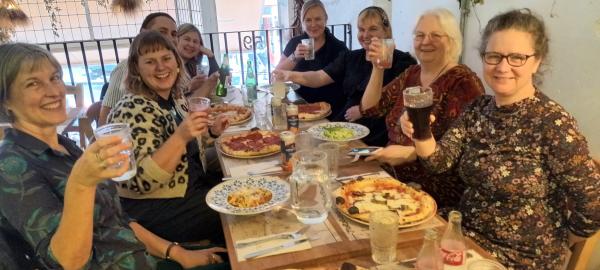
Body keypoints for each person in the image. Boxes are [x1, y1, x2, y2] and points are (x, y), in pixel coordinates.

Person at [400, 9, 600, 269]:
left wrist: (559, 242)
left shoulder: (553, 123)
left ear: (537, 61)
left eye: (517, 57)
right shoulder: (478, 109)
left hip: (520, 257)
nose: (503, 67)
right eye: (493, 56)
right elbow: (439, 162)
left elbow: (592, 204)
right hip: (463, 240)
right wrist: (421, 131)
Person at [0, 43, 226, 269]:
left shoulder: (65, 146)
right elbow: (67, 261)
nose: (53, 91)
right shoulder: (10, 165)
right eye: (33, 83)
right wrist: (82, 182)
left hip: (144, 256)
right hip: (129, 254)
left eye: (55, 77)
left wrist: (178, 253)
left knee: (235, 244)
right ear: (5, 100)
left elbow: (119, 220)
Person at [108, 31, 228, 244]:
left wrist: (211, 132)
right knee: (237, 216)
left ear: (177, 62)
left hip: (192, 187)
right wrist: (180, 137)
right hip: (160, 206)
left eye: (166, 58)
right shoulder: (132, 108)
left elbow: (188, 145)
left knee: (242, 188)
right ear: (136, 68)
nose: (161, 67)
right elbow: (141, 182)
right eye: (150, 62)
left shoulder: (174, 99)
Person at [360, 8, 484, 208]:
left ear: (452, 41)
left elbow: (464, 150)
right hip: (391, 178)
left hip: (432, 193)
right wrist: (377, 67)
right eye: (420, 35)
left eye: (435, 35)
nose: (425, 41)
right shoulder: (412, 74)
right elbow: (370, 109)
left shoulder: (463, 82)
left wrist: (410, 153)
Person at [274, 6, 416, 146]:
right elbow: (319, 77)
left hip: (376, 137)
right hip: (344, 128)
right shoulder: (350, 57)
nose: (365, 35)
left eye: (373, 29)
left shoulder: (403, 63)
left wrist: (361, 110)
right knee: (301, 144)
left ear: (386, 31)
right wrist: (288, 74)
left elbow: (398, 106)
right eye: (361, 29)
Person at [98, 12, 217, 126]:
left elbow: (182, 110)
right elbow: (105, 121)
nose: (169, 38)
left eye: (173, 34)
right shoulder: (126, 67)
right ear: (144, 33)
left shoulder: (176, 67)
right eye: (162, 32)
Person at [274, 0, 348, 119]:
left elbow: (320, 79)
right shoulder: (295, 43)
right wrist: (295, 56)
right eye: (308, 20)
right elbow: (275, 76)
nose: (313, 24)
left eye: (318, 19)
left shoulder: (338, 48)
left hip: (331, 111)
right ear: (302, 22)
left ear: (325, 19)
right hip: (301, 108)